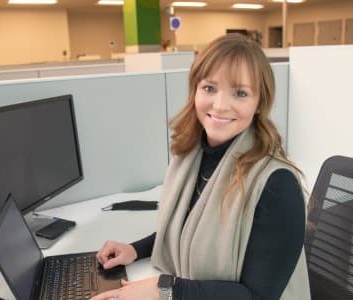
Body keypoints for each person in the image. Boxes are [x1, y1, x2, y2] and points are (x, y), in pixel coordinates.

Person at [91, 33, 310, 300]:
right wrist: (135, 249)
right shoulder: (191, 155)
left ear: (259, 103)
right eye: (209, 88)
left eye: (240, 93)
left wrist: (164, 289)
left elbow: (259, 296)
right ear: (195, 90)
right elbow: (186, 230)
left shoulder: (276, 185)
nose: (219, 105)